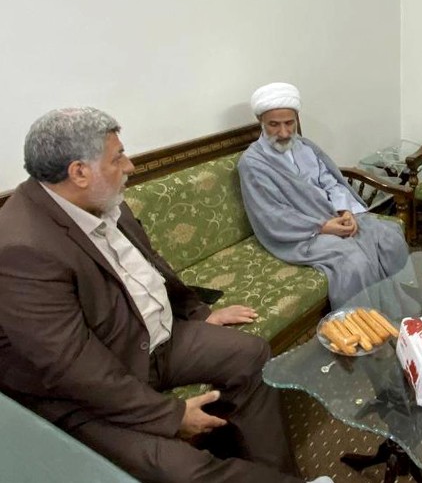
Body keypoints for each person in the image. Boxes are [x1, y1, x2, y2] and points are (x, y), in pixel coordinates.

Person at [0, 107, 332, 483]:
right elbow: (73, 367)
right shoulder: (21, 248)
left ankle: (277, 474)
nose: (130, 166)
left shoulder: (100, 197)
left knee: (250, 354)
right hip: (83, 392)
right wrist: (171, 416)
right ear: (79, 172)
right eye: (118, 157)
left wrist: (198, 312)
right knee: (183, 471)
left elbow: (151, 265)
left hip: (150, 340)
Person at [238, 82, 409, 308]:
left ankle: (397, 307)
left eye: (289, 123)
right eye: (274, 125)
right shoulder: (252, 163)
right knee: (353, 261)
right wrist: (322, 226)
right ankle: (361, 324)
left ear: (297, 119)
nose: (284, 133)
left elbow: (330, 181)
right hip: (300, 233)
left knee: (389, 237)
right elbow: (271, 215)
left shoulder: (304, 146)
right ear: (261, 122)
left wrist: (345, 210)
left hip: (333, 215)